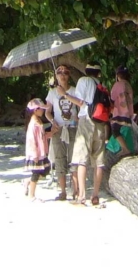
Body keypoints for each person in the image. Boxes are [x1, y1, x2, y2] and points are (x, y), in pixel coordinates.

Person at [56, 62, 107, 206]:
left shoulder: (84, 81)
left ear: (86, 70)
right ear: (98, 72)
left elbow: (80, 102)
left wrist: (64, 94)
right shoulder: (101, 84)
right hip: (100, 122)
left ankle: (82, 196)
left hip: (87, 120)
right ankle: (95, 195)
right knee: (99, 161)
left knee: (81, 159)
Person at [44, 64, 78, 201]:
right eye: (60, 72)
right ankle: (63, 191)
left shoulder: (75, 91)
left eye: (65, 72)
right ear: (56, 76)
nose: (63, 75)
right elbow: (47, 112)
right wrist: (53, 122)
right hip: (59, 129)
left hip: (72, 127)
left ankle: (76, 190)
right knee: (59, 159)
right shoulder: (52, 93)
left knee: (74, 158)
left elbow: (80, 106)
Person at [23, 98, 50, 201]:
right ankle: (31, 195)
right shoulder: (33, 124)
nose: (43, 111)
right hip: (35, 154)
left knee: (45, 171)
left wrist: (50, 134)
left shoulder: (39, 121)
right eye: (41, 109)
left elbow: (42, 136)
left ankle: (27, 181)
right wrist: (34, 155)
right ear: (35, 110)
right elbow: (31, 140)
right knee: (36, 173)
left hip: (41, 152)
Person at [107, 66, 135, 156]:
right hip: (127, 113)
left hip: (119, 112)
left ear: (117, 75)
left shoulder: (117, 85)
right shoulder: (128, 85)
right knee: (123, 131)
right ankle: (126, 148)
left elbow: (112, 99)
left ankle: (125, 148)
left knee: (115, 131)